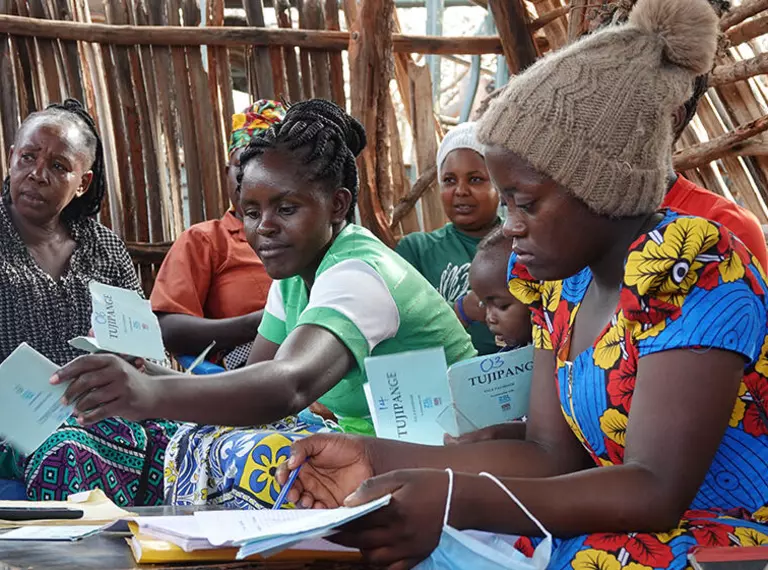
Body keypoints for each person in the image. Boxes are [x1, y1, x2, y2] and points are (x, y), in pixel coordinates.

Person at [272, 3, 768, 569]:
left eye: (524, 202)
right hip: (608, 532)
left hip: (714, 546)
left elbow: (655, 491)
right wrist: (372, 456)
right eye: (505, 202)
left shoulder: (693, 265)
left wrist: (457, 500)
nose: (508, 225)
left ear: (601, 187)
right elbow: (548, 456)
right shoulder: (564, 286)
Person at [52, 99, 476, 509]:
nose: (265, 228)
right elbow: (254, 382)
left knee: (258, 459)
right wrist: (142, 373)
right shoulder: (295, 274)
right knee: (114, 428)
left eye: (286, 208)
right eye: (251, 212)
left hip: (444, 459)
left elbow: (287, 387)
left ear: (338, 204)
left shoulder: (358, 272)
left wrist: (148, 393)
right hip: (371, 448)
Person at [0, 99, 177, 504]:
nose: (37, 174)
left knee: (181, 440)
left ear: (83, 181)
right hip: (13, 420)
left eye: (59, 166)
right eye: (27, 157)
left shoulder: (105, 249)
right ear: (11, 158)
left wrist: (132, 358)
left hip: (101, 409)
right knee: (68, 452)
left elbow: (150, 351)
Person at [151, 101, 284, 370]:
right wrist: (264, 321)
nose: (252, 175)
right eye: (242, 164)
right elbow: (167, 328)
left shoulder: (304, 236)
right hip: (250, 374)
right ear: (227, 173)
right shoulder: (206, 240)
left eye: (265, 165)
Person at [396, 122, 501, 355]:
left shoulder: (520, 246)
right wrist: (461, 311)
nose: (461, 191)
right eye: (449, 180)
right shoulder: (416, 252)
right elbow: (401, 331)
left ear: (499, 185)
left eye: (475, 179)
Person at [444, 227, 532, 445]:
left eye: (501, 306)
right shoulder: (512, 355)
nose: (489, 318)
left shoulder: (555, 362)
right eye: (484, 304)